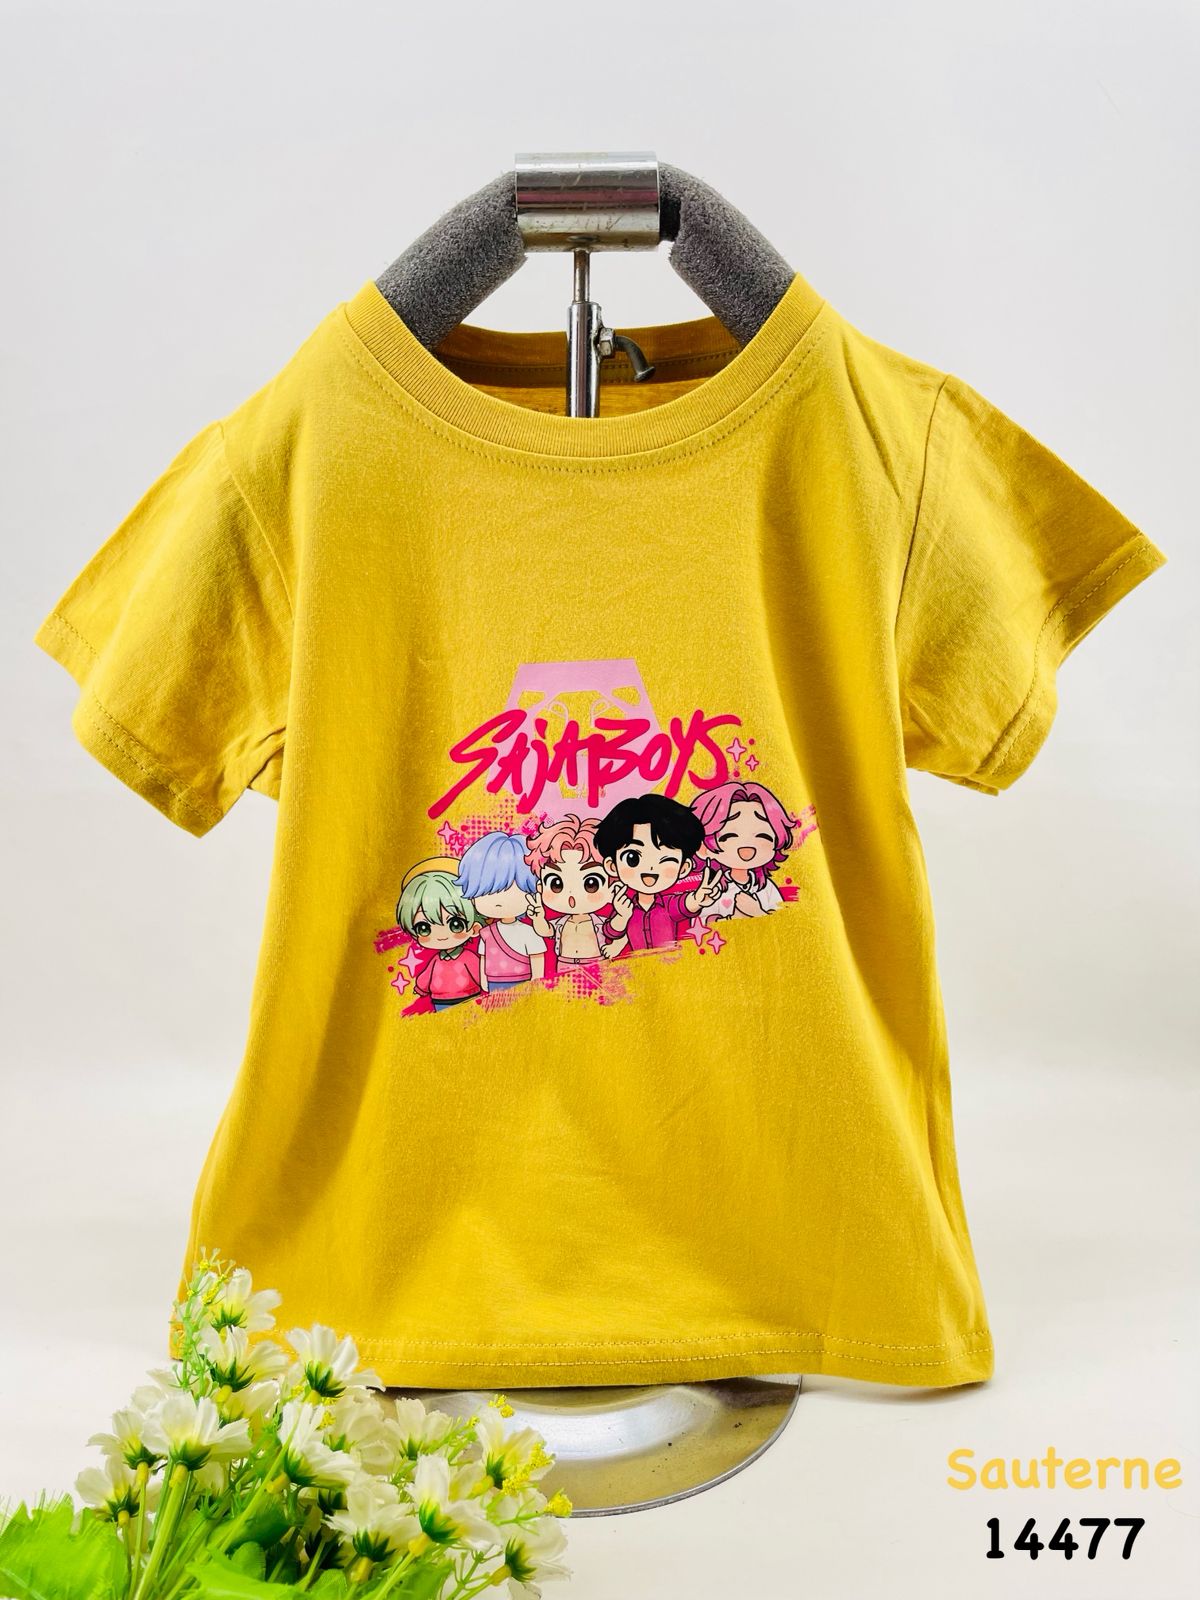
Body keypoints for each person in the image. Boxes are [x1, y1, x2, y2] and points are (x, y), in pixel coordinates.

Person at [595, 794, 722, 956]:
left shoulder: (667, 905)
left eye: (666, 859)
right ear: (612, 866)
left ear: (683, 868)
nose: (650, 868)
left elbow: (684, 905)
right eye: (633, 858)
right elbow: (611, 931)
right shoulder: (625, 905)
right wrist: (622, 916)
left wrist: (697, 899)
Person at [689, 781, 797, 921]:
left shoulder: (766, 887)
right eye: (729, 836)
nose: (746, 848)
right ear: (703, 847)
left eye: (762, 836)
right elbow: (699, 922)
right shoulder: (711, 889)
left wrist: (758, 912)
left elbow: (782, 921)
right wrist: (732, 919)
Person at [455, 830, 547, 989]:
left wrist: (536, 985)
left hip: (523, 986)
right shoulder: (486, 933)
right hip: (493, 985)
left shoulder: (529, 932)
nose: (498, 900)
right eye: (486, 892)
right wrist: (484, 984)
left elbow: (537, 960)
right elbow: (484, 958)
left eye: (508, 888)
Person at [395, 861, 484, 1012]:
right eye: (424, 928)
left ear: (474, 928)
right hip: (439, 1001)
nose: (441, 935)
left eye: (455, 924)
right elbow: (425, 976)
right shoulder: (436, 960)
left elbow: (480, 973)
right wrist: (420, 988)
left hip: (470, 998)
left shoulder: (468, 958)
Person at [524, 815, 611, 967]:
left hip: (595, 964)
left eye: (591, 884)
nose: (572, 896)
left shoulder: (600, 923)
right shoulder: (561, 923)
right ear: (540, 887)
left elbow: (618, 928)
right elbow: (546, 931)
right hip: (564, 964)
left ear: (611, 888)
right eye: (556, 884)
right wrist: (538, 918)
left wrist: (623, 915)